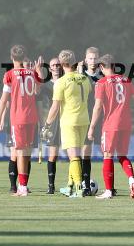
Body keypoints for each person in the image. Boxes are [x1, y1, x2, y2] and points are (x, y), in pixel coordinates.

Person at [88, 55, 134, 199]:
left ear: (102, 67)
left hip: (111, 124)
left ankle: (108, 191)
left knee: (107, 155)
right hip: (126, 124)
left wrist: (92, 127)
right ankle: (132, 179)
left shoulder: (101, 83)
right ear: (114, 66)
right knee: (122, 156)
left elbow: (98, 107)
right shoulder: (126, 80)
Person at [43, 49, 92, 198]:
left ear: (62, 63)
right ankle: (70, 186)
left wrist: (46, 124)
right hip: (84, 120)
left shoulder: (61, 82)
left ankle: (78, 189)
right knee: (76, 155)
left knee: (74, 157)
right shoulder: (85, 78)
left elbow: (55, 107)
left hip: (69, 121)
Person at [0, 46, 43, 196]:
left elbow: (4, 99)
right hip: (32, 117)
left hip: (18, 118)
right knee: (27, 152)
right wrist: (38, 70)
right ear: (24, 57)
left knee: (20, 152)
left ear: (12, 58)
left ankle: (22, 187)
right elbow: (38, 88)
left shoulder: (10, 74)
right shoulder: (32, 73)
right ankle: (24, 185)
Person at [77, 47, 102, 194]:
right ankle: (85, 185)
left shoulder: (103, 76)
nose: (93, 61)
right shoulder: (80, 76)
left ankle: (110, 187)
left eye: (95, 58)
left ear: (99, 59)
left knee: (107, 152)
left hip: (101, 118)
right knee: (86, 151)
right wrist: (80, 73)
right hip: (85, 118)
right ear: (85, 60)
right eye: (90, 58)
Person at [38, 57, 64, 194]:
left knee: (73, 154)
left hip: (67, 119)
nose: (56, 67)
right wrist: (38, 71)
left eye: (58, 65)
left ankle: (76, 183)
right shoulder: (46, 85)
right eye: (53, 65)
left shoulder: (66, 81)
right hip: (53, 121)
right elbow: (37, 93)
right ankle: (51, 186)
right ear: (50, 68)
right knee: (52, 155)